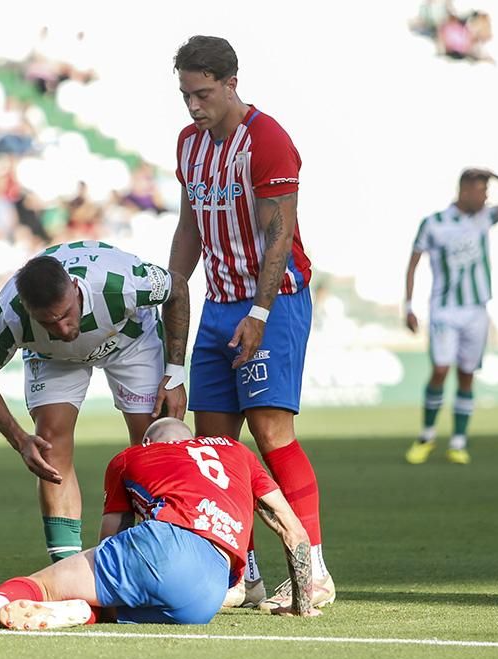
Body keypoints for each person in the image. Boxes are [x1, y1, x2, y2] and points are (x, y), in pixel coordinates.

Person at [167, 35, 329, 610]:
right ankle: (245, 573)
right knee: (214, 446)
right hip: (216, 304)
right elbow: (191, 223)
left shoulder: (267, 139)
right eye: (186, 94)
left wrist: (259, 313)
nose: (193, 106)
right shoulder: (189, 143)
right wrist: (174, 282)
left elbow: (280, 233)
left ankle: (314, 568)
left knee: (270, 432)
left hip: (274, 300)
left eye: (203, 93)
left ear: (232, 83)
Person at [0, 418, 319, 631]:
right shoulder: (236, 453)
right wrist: (302, 605)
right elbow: (293, 531)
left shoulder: (132, 457)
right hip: (206, 596)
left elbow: (109, 539)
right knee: (116, 605)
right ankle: (77, 613)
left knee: (46, 582)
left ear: (151, 443)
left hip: (163, 545)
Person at [0, 241, 190, 564]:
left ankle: (164, 556)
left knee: (154, 443)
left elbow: (177, 287)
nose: (63, 328)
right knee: (49, 445)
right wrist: (19, 439)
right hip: (55, 358)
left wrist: (175, 372)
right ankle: (67, 568)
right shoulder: (9, 315)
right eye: (48, 323)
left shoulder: (119, 282)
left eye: (66, 315)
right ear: (29, 312)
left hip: (128, 339)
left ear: (74, 286)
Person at [403, 169, 498, 465]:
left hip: (476, 310)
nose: (486, 196)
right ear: (465, 190)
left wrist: (495, 175)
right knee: (441, 370)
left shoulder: (484, 217)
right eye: (482, 190)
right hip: (444, 310)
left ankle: (458, 442)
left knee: (468, 373)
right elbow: (413, 264)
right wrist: (408, 306)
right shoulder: (434, 224)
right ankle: (427, 435)